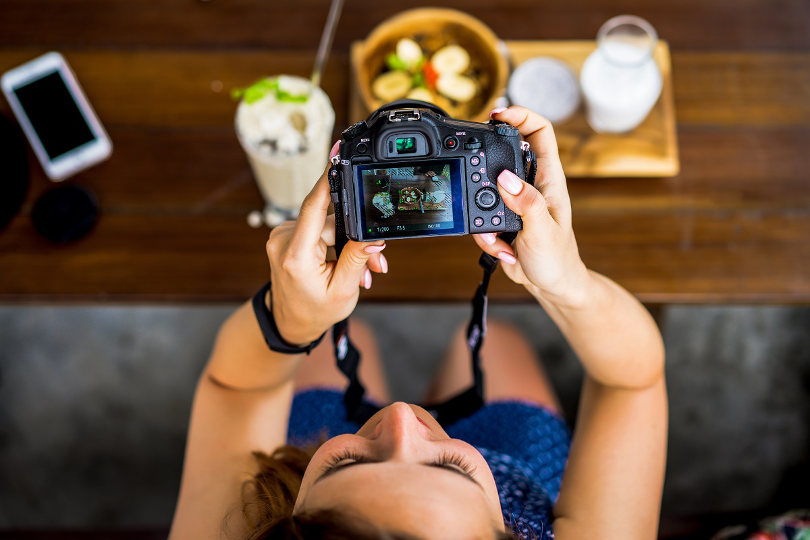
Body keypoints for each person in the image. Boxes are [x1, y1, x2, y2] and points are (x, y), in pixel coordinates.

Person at [169, 106, 668, 539]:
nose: (403, 417)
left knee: (340, 337)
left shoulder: (237, 526)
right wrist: (565, 285)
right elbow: (632, 382)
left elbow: (235, 389)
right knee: (498, 343)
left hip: (306, 438)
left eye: (350, 460)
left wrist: (291, 321)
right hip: (517, 456)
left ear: (289, 523)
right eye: (452, 467)